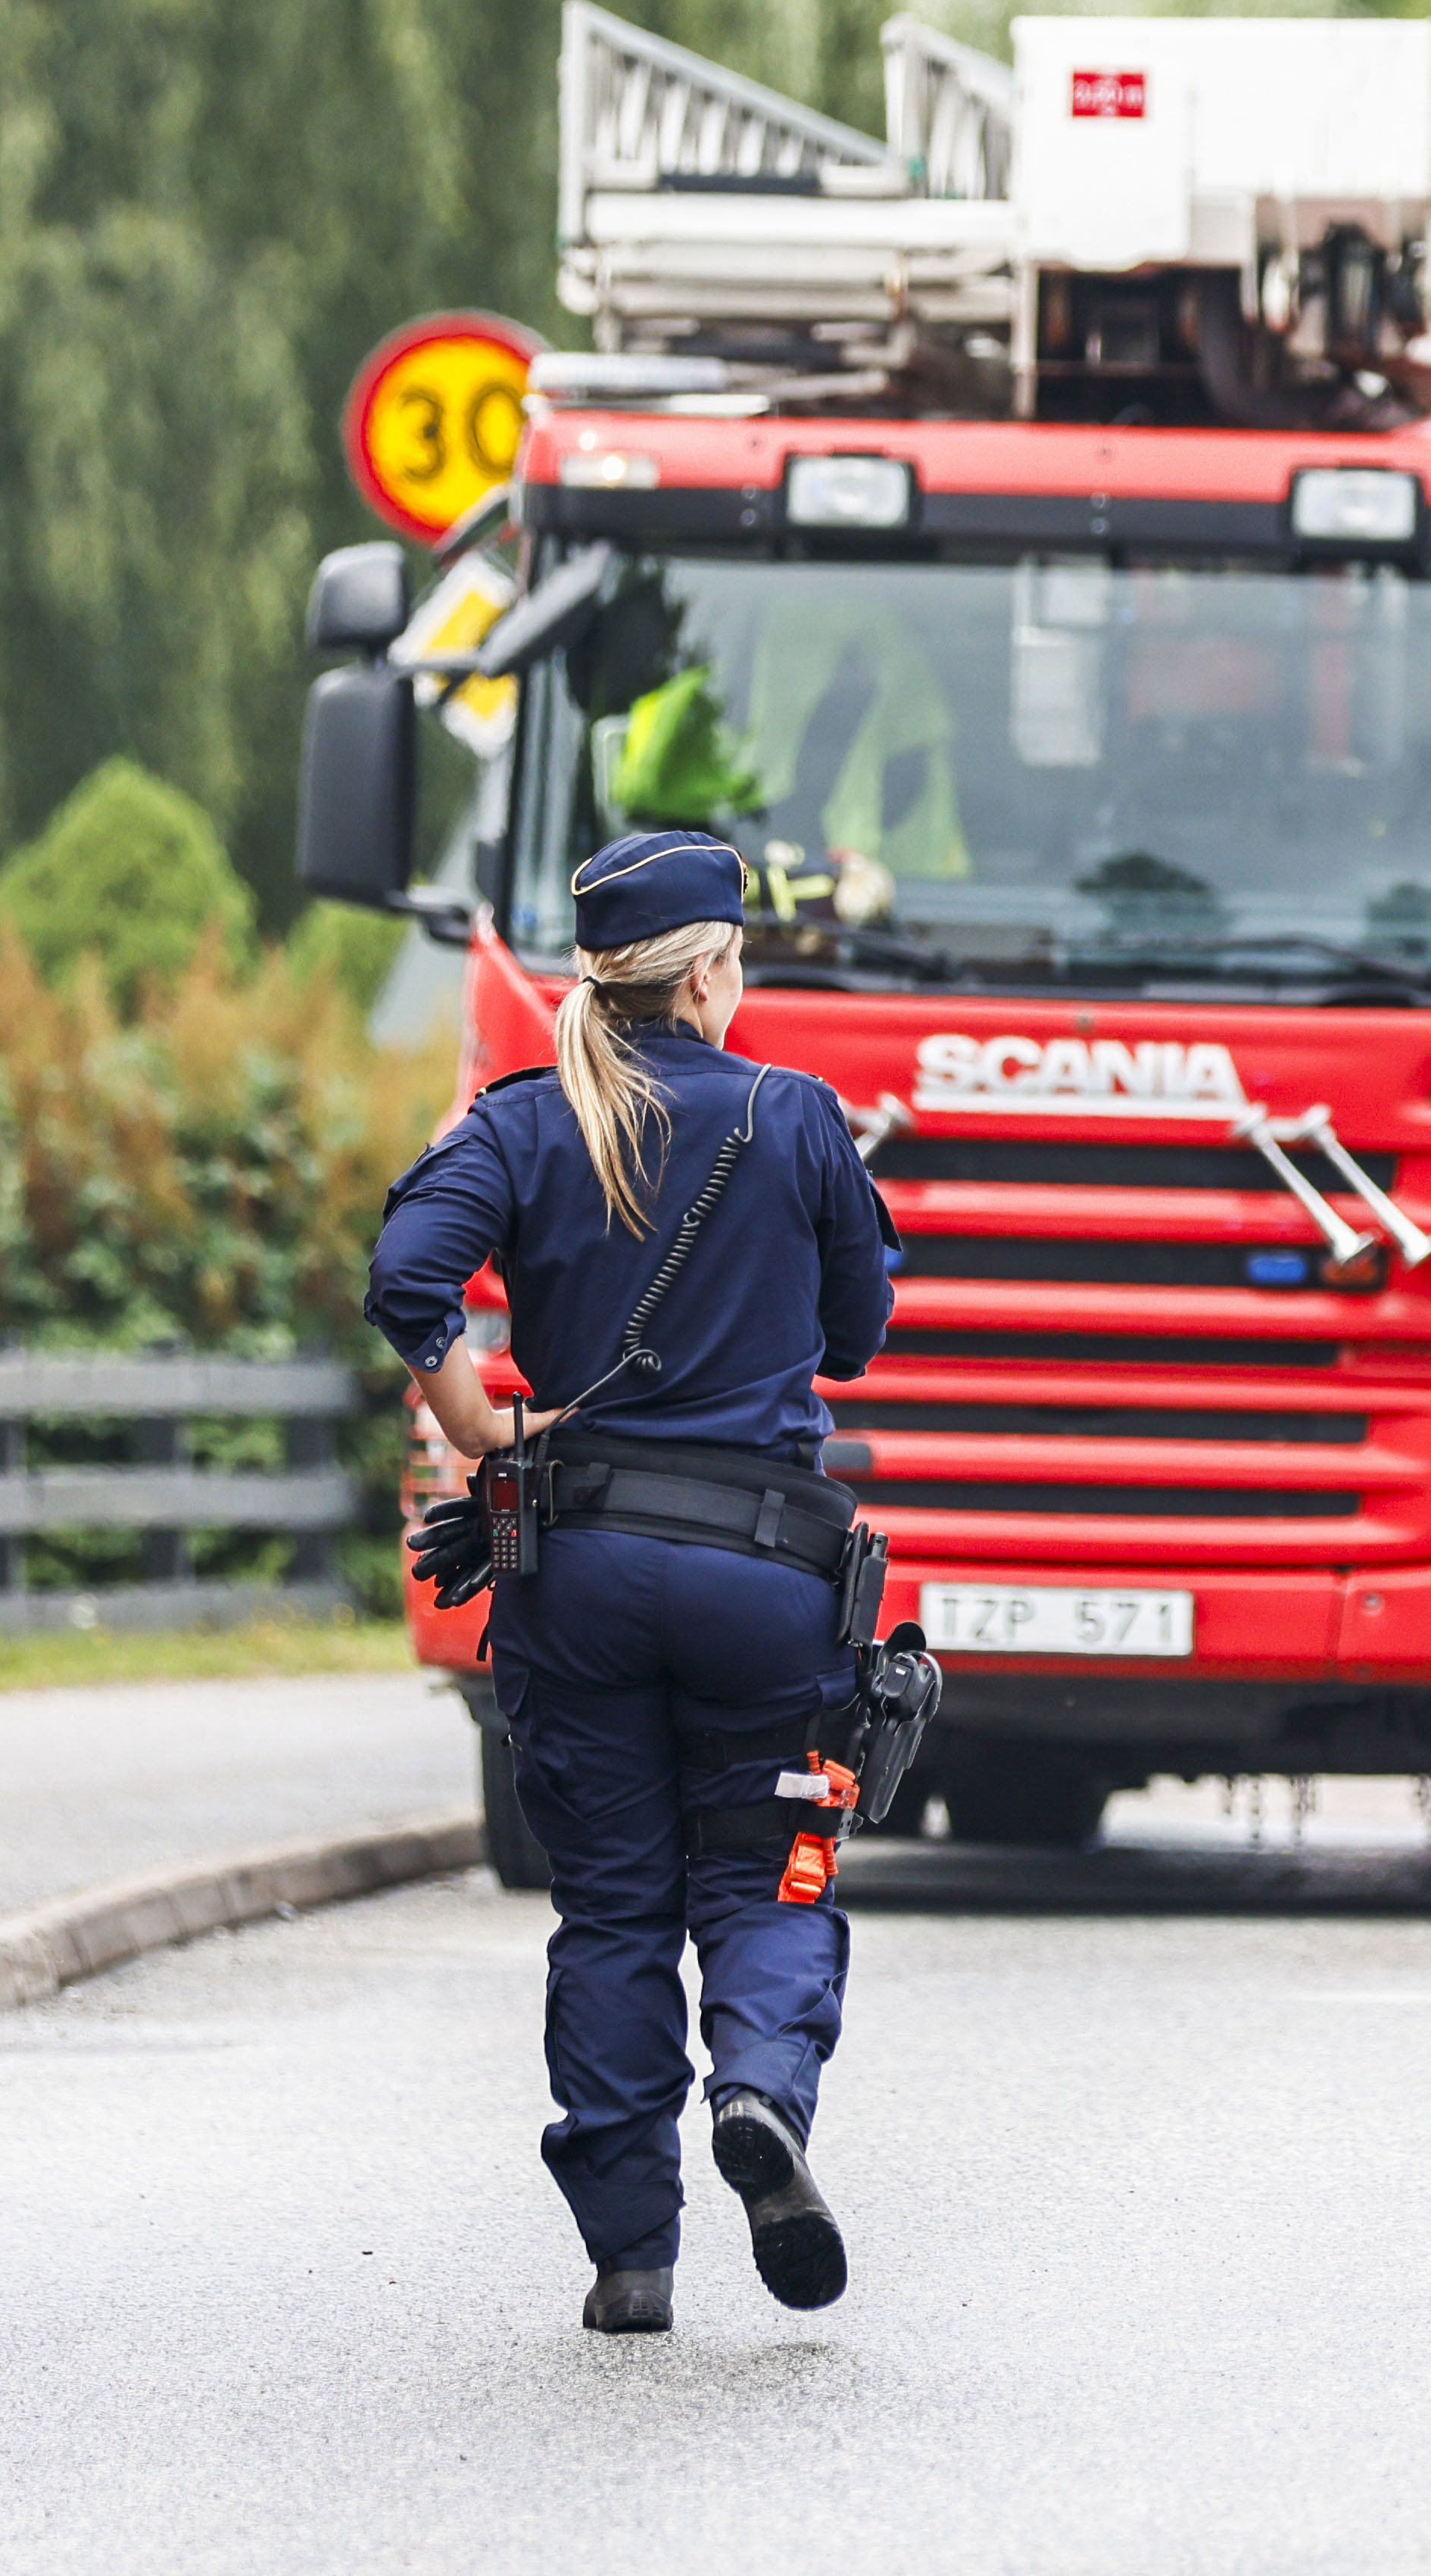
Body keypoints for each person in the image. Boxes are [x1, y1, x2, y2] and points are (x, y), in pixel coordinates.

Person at [364, 827, 903, 2335]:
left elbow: (408, 1272)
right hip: (762, 1580)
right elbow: (856, 1331)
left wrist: (474, 1414)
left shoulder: (523, 1123)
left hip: (578, 1568)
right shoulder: (795, 1120)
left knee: (609, 1913)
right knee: (768, 1872)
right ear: (714, 968)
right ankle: (760, 2093)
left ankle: (628, 2257)